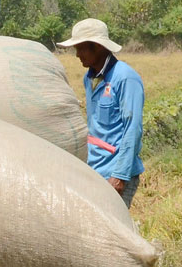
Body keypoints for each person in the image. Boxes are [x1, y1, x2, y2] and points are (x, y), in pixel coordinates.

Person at [59, 18, 144, 208]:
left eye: (80, 48)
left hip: (116, 174)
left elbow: (133, 129)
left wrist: (119, 176)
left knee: (112, 231)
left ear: (97, 47)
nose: (77, 55)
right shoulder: (89, 79)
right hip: (96, 169)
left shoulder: (125, 78)